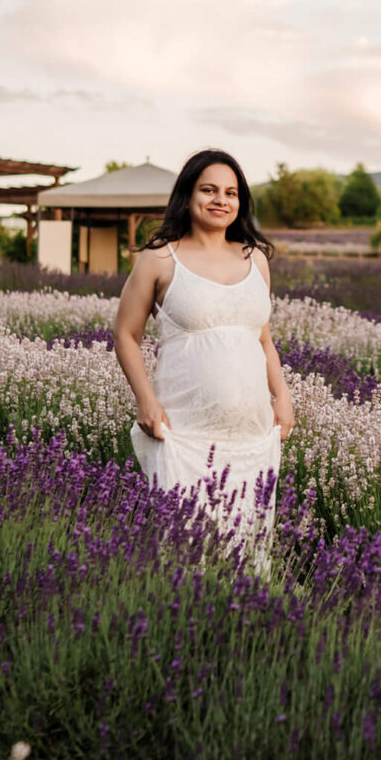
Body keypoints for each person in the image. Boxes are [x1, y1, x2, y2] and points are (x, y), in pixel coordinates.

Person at [112, 149, 293, 544]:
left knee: (247, 554)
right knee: (183, 552)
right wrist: (145, 401)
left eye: (230, 193)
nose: (220, 200)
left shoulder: (255, 259)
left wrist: (282, 396)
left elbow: (262, 338)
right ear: (188, 195)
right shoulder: (160, 258)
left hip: (251, 437)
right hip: (184, 436)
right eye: (208, 190)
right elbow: (126, 335)